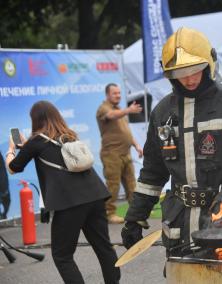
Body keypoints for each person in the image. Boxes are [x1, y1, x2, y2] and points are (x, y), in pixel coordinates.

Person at [121, 27, 222, 263]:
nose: (189, 78)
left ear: (209, 63)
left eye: (195, 69)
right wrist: (134, 217)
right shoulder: (163, 112)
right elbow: (153, 173)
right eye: (180, 72)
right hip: (179, 226)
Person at [5, 101, 120, 284]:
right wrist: (28, 146)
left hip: (69, 203)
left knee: (62, 256)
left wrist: (11, 150)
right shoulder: (69, 136)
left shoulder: (36, 142)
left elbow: (14, 167)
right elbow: (46, 150)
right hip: (95, 196)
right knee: (104, 248)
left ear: (36, 119)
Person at [96, 83, 144, 224]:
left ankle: (135, 213)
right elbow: (111, 115)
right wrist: (128, 110)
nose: (118, 95)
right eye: (114, 93)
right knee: (113, 185)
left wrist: (136, 145)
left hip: (126, 154)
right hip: (112, 155)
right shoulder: (103, 108)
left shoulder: (120, 110)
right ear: (107, 95)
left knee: (131, 184)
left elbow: (126, 133)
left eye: (119, 93)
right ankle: (109, 214)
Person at [0, 151, 11, 219]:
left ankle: (3, 215)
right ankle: (3, 215)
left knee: (7, 200)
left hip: (3, 183)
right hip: (3, 184)